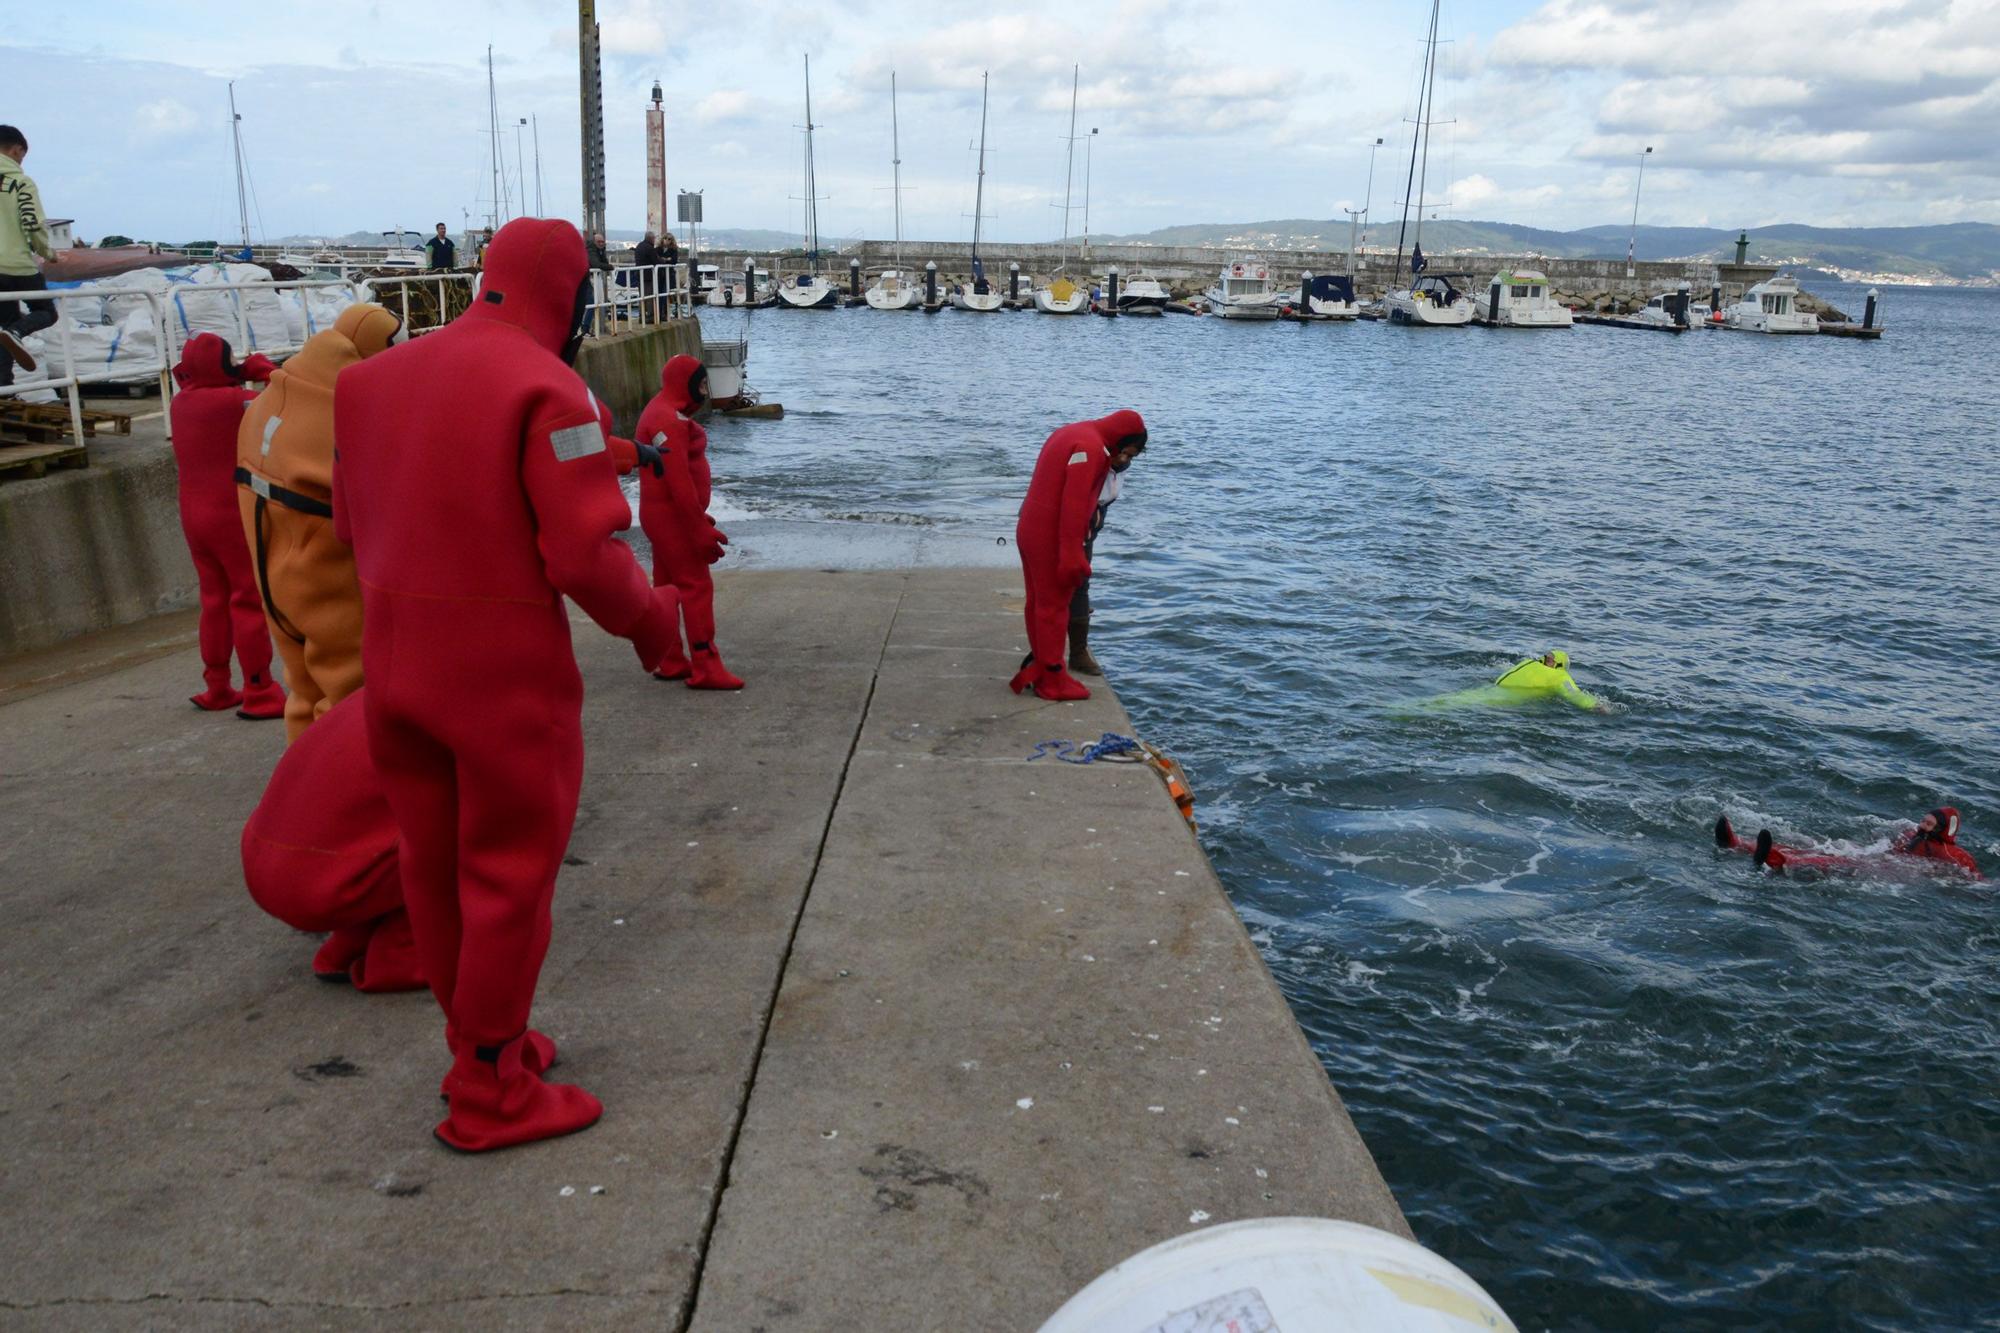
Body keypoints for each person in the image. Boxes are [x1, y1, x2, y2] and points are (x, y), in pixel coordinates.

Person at [331, 216, 681, 1152]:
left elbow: (344, 526)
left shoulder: (366, 384)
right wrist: (655, 628)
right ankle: (489, 1087)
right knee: (507, 880)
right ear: (567, 294)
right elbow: (583, 554)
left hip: (395, 670)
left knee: (432, 867)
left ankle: (485, 1038)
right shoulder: (549, 388)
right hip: (501, 682)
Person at [237, 303, 401, 741]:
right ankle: (342, 802)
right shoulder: (347, 412)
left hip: (269, 572)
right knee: (349, 697)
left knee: (304, 695)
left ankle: (302, 793)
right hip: (323, 575)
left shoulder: (270, 398)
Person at [242, 690, 424, 992]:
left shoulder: (393, 680)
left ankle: (351, 941)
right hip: (323, 881)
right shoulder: (483, 699)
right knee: (493, 812)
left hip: (267, 856)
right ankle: (404, 956)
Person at [168, 332, 286, 718]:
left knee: (213, 601)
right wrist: (263, 369)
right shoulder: (235, 402)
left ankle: (216, 685)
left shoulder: (180, 402)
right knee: (246, 599)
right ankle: (259, 689)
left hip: (193, 515)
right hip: (229, 516)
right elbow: (291, 393)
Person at [1011, 411, 1149, 702]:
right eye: (1127, 452)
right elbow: (1073, 506)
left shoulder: (1071, 432)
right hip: (1050, 538)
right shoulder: (1091, 449)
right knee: (1054, 608)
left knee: (1038, 603)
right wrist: (1072, 554)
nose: (1123, 459)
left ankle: (1043, 668)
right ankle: (1052, 681)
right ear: (1122, 439)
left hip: (1029, 528)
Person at [636, 354, 741, 688]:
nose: (705, 392)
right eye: (701, 384)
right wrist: (697, 529)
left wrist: (696, 515)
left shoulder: (661, 410)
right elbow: (678, 481)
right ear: (688, 384)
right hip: (672, 518)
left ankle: (670, 659)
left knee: (667, 586)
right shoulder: (668, 420)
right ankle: (706, 665)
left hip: (664, 515)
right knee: (696, 586)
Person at [1715, 807, 1982, 879]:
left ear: (1944, 829)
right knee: (1815, 845)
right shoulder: (1912, 834)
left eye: (1928, 824)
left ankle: (1777, 860)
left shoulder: (1953, 854)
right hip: (1882, 855)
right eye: (1923, 820)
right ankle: (1738, 844)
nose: (1921, 825)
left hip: (1895, 869)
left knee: (1834, 860)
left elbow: (1973, 877)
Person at [1066, 439, 1140, 676]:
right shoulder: (1095, 463)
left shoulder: (1118, 470)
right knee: (1076, 586)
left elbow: (1102, 502)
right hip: (1074, 530)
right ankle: (1074, 653)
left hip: (1089, 532)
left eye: (1131, 457)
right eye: (1123, 454)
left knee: (1080, 585)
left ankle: (1077, 650)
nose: (1124, 460)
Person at [0, 125, 58, 386]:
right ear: (16, 149)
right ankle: (16, 332)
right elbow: (32, 223)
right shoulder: (21, 182)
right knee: (46, 311)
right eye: (22, 155)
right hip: (16, 266)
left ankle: (4, 389)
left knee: (2, 325)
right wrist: (49, 254)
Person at [1493, 651, 1607, 713]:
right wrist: (1598, 706)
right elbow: (1575, 695)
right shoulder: (1559, 676)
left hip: (1492, 689)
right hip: (1505, 701)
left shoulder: (1527, 662)